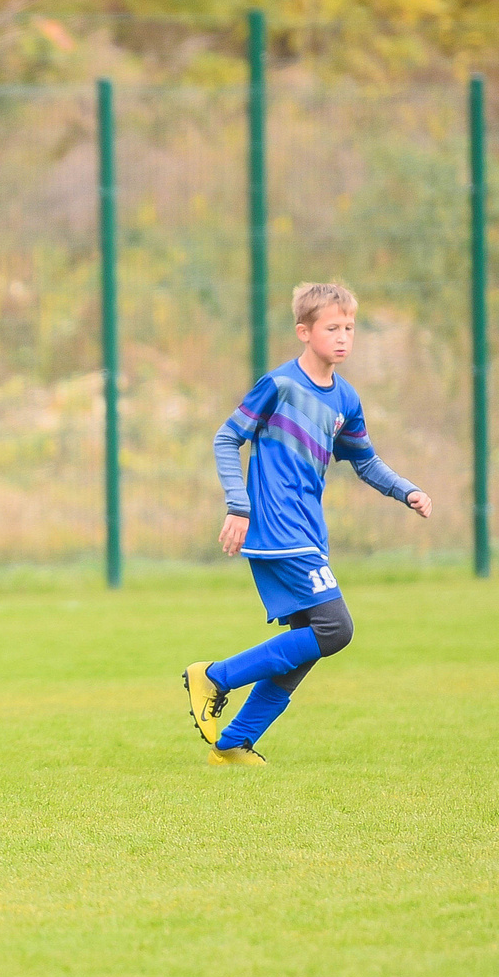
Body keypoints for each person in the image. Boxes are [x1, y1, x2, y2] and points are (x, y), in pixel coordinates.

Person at [184, 281, 430, 765]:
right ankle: (214, 676)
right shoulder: (279, 386)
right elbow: (225, 438)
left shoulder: (345, 400)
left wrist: (407, 489)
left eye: (350, 328)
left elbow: (365, 461)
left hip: (308, 533)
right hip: (278, 529)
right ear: (304, 331)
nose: (343, 337)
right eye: (332, 327)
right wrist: (239, 505)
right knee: (336, 629)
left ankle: (234, 744)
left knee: (307, 645)